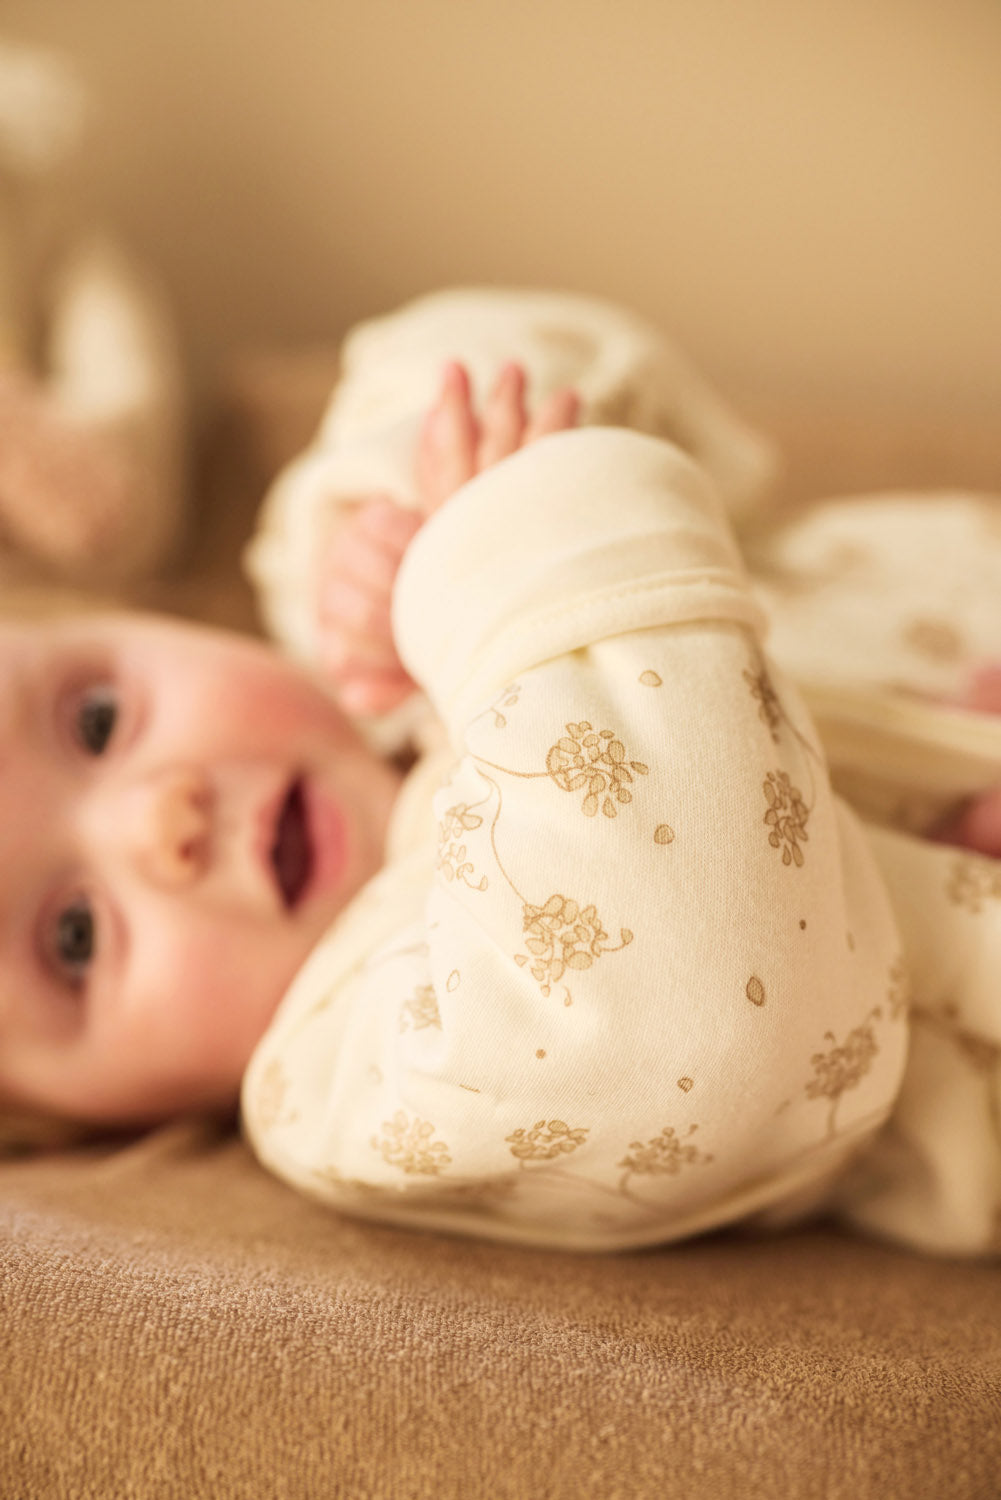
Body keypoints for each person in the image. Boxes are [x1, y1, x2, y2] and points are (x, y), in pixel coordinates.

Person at [1, 301, 999, 1257]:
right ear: (70, 1126)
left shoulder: (329, 593)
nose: (162, 820)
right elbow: (697, 1011)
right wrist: (507, 564)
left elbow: (593, 366)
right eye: (72, 937)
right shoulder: (342, 1081)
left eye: (95, 721)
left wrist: (414, 503)